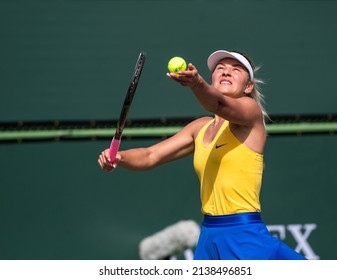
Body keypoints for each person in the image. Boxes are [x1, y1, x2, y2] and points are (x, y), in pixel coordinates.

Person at [98, 50, 307, 260]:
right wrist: (119, 157)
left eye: (236, 69)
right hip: (209, 235)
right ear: (213, 78)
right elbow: (150, 156)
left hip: (243, 234)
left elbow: (217, 104)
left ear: (248, 86)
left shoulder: (251, 113)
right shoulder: (199, 128)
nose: (226, 72)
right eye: (220, 69)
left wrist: (196, 83)